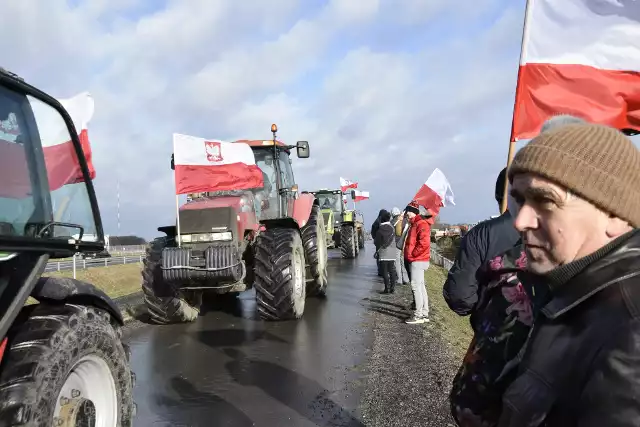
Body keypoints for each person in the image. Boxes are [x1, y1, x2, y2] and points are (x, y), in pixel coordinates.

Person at [497, 122, 640, 426]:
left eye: (545, 200)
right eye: (521, 199)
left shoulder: (630, 330)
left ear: (614, 214)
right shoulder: (575, 290)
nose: (520, 221)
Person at [442, 167, 520, 328]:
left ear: (499, 196)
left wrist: (482, 307)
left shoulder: (480, 234)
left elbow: (460, 296)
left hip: (492, 334)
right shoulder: (565, 234)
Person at [403, 201, 435, 324]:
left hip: (418, 260)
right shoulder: (417, 223)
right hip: (420, 259)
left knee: (416, 287)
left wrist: (413, 255)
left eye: (409, 211)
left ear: (414, 212)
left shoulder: (420, 224)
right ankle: (424, 313)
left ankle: (418, 315)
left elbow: (424, 243)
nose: (407, 213)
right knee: (421, 287)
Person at [374, 211, 398, 294]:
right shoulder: (392, 228)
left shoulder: (380, 229)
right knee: (392, 270)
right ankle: (393, 288)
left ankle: (386, 288)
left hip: (383, 252)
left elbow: (377, 242)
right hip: (392, 251)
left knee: (384, 271)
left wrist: (377, 250)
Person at [391, 207, 410, 284]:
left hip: (396, 244)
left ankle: (399, 279)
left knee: (397, 261)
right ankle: (406, 279)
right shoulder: (406, 220)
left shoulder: (393, 221)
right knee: (404, 261)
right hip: (405, 243)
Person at [371, 209, 387, 276]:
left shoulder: (376, 221)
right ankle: (384, 270)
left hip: (378, 241)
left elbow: (373, 232)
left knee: (379, 255)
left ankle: (380, 271)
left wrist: (375, 238)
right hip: (384, 241)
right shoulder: (385, 221)